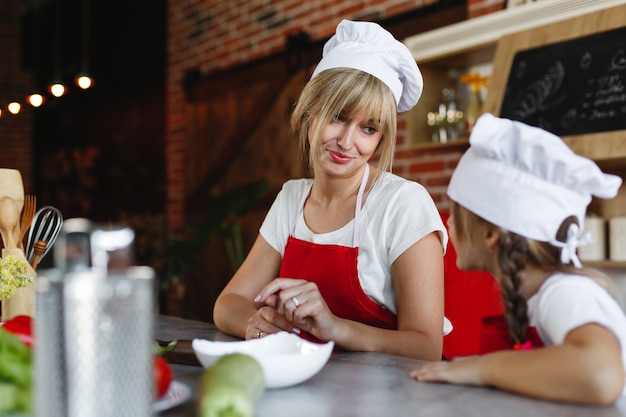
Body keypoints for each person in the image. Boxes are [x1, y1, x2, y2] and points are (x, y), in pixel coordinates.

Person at [213, 19, 448, 360]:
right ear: (310, 114)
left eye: (368, 128)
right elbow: (227, 304)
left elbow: (426, 346)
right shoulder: (292, 199)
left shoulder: (403, 204)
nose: (346, 142)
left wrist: (336, 328)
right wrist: (255, 321)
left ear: (380, 139)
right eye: (337, 117)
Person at [411, 113, 626, 405]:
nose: (448, 224)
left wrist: (481, 368)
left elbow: (600, 375)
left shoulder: (563, 293)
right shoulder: (535, 297)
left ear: (489, 234)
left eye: (455, 213)